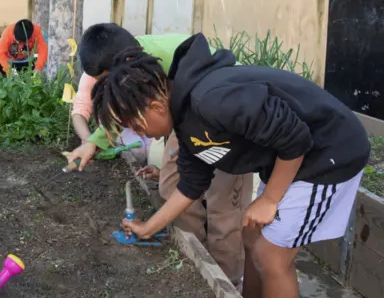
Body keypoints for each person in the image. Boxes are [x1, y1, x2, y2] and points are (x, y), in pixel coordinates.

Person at [91, 33, 369, 298]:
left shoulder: (212, 100)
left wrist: (270, 199)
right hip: (295, 156)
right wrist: (149, 227)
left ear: (156, 107)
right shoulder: (186, 123)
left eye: (137, 126)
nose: (141, 134)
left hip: (330, 151)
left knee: (271, 255)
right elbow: (191, 185)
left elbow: (295, 138)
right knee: (251, 236)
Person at [68, 23, 253, 288]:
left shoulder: (168, 63)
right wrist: (93, 143)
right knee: (172, 186)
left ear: (126, 65)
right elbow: (127, 106)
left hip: (227, 119)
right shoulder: (129, 67)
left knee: (223, 206)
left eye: (108, 81)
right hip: (186, 116)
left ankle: (227, 282)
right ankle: (197, 263)